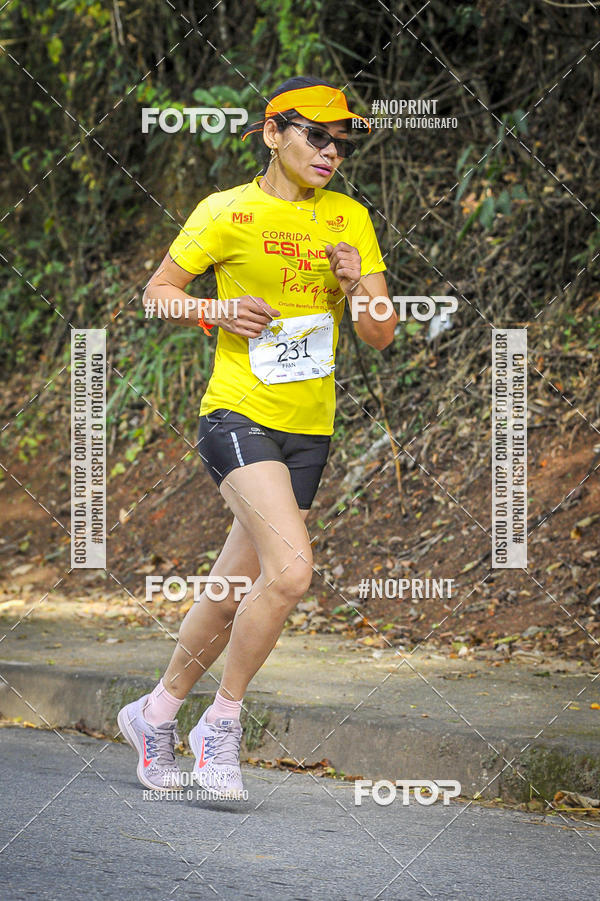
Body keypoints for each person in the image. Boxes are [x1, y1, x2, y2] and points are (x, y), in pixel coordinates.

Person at [117, 76, 397, 799]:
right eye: (318, 136)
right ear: (275, 133)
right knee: (294, 570)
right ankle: (222, 721)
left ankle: (155, 713)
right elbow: (156, 294)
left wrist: (357, 283)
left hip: (309, 428)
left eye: (343, 141)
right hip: (236, 415)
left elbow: (382, 331)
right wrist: (217, 309)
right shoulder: (226, 211)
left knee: (233, 585)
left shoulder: (350, 220)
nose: (332, 152)